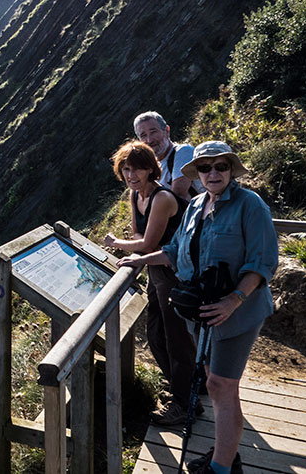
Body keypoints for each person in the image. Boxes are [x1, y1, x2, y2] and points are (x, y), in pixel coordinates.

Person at [117, 141, 279, 474]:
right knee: (216, 383)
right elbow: (175, 251)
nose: (213, 173)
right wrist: (141, 259)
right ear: (197, 174)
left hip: (238, 313)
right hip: (203, 314)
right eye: (205, 168)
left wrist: (233, 301)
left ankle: (222, 467)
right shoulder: (194, 207)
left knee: (220, 384)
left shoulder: (250, 205)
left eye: (221, 166)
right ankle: (226, 452)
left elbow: (262, 263)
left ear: (232, 169)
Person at [103, 141, 197, 426]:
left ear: (150, 169)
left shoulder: (162, 198)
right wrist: (133, 249)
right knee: (156, 334)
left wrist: (114, 243)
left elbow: (148, 243)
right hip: (156, 270)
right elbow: (138, 233)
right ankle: (188, 389)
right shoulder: (136, 196)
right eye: (127, 169)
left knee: (175, 338)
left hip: (175, 271)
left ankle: (185, 405)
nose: (132, 175)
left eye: (139, 169)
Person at [133, 111, 202, 200]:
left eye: (153, 132)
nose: (149, 140)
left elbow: (179, 195)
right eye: (143, 135)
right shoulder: (151, 169)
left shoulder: (183, 152)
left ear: (166, 131)